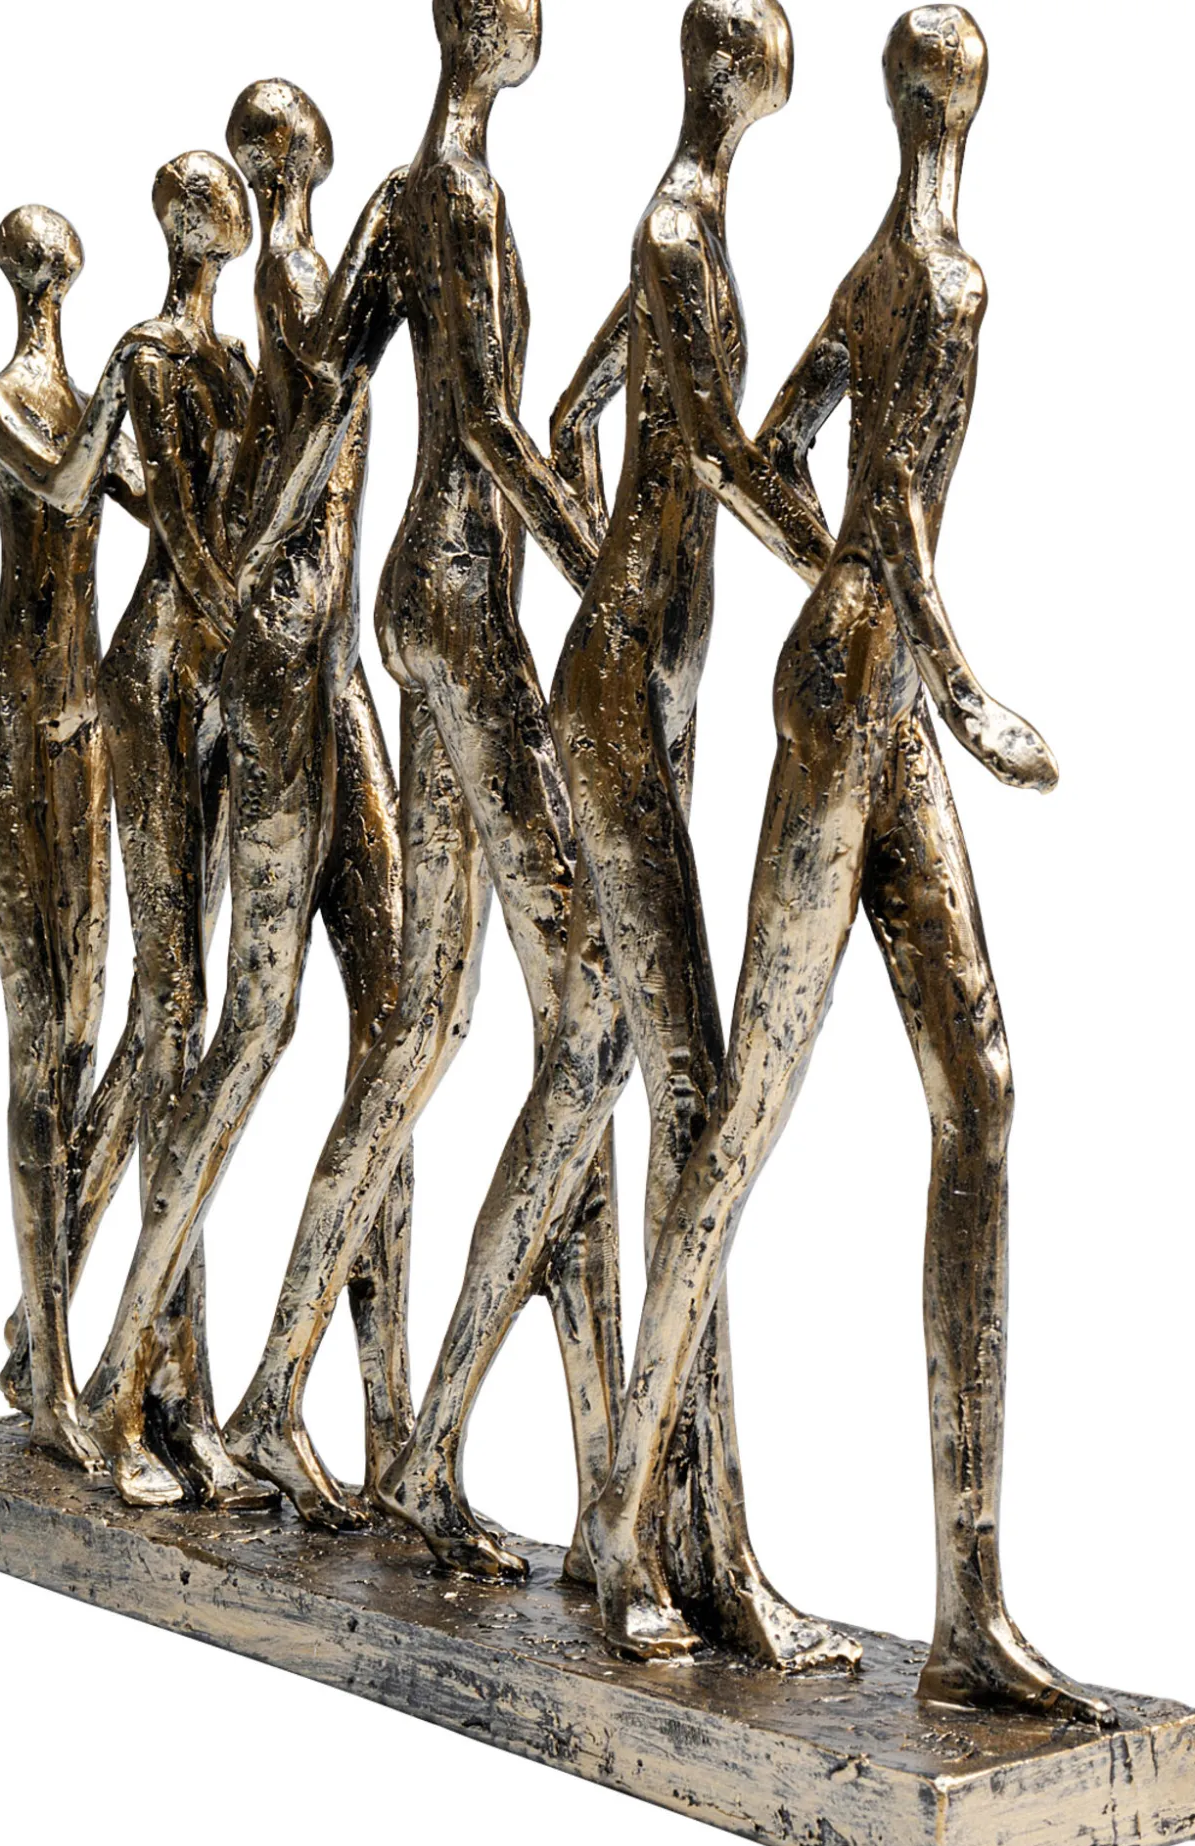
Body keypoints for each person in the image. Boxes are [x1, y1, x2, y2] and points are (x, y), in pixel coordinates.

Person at [579, 9, 1118, 1721]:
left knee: (979, 1088)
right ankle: (618, 1524)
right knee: (746, 1112)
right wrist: (964, 690)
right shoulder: (942, 284)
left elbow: (774, 450)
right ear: (967, 101)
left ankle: (969, 1610)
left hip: (850, 677)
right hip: (863, 692)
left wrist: (854, 611)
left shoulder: (875, 273)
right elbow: (880, 508)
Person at [107, 0, 625, 1562]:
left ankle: (302, 1399)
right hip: (444, 611)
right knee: (569, 1023)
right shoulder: (439, 200)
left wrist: (237, 571)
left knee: (413, 1026)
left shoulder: (397, 205)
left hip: (388, 624)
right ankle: (200, 1387)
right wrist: (596, 564)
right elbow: (463, 423)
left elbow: (327, 402)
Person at [380, 0, 857, 1672]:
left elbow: (587, 404)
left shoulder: (677, 233)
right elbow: (710, 451)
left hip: (645, 682)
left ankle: (493, 1465)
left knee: (617, 1075)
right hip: (621, 695)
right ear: (740, 73)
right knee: (688, 1099)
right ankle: (639, 1535)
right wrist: (852, 567)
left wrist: (625, 558)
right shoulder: (677, 230)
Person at [85, 83, 415, 1522]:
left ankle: (364, 1425)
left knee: (399, 1020)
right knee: (245, 1025)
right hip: (279, 669)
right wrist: (227, 624)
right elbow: (279, 470)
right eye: (277, 139)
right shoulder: (290, 285)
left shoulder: (295, 290)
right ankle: (121, 1369)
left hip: (331, 673)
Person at [84, 153, 275, 1510]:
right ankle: (144, 1386)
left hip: (210, 679)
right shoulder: (154, 353)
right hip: (158, 670)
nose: (228, 216)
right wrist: (248, 616)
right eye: (210, 200)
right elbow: (193, 532)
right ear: (184, 223)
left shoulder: (237, 364)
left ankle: (144, 1364)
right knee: (172, 1009)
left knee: (181, 1020)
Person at [0, 205, 149, 1473]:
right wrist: (130, 384)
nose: (50, 271)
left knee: (93, 1030)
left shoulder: (94, 399)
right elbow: (74, 482)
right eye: (39, 257)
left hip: (88, 714)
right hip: (14, 712)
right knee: (41, 1035)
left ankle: (42, 1328)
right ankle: (52, 1389)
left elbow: (161, 508)